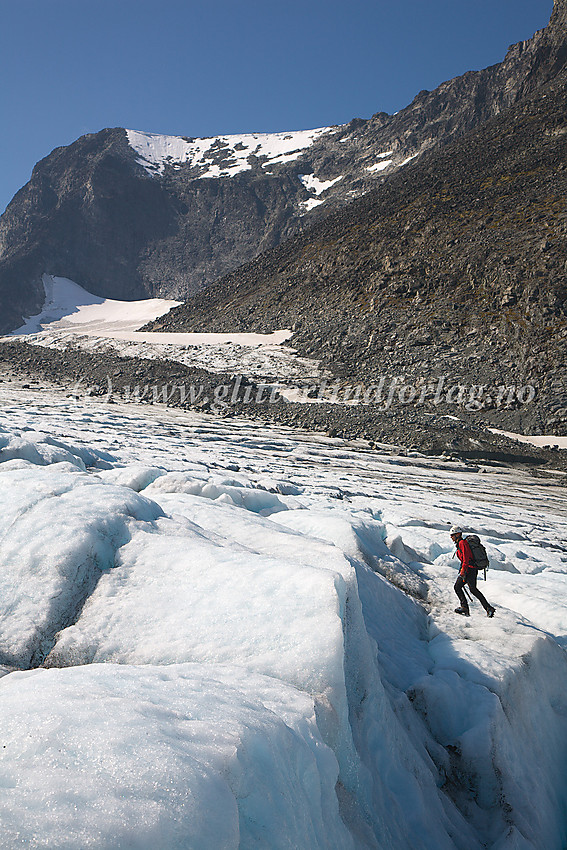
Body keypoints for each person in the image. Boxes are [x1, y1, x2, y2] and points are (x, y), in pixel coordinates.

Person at [450, 526, 495, 617]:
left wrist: (463, 570)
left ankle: (465, 607)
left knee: (457, 587)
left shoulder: (462, 543)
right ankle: (488, 608)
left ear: (458, 534)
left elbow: (466, 558)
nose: (451, 537)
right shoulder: (461, 543)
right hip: (471, 569)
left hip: (468, 569)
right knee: (473, 589)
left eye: (452, 535)